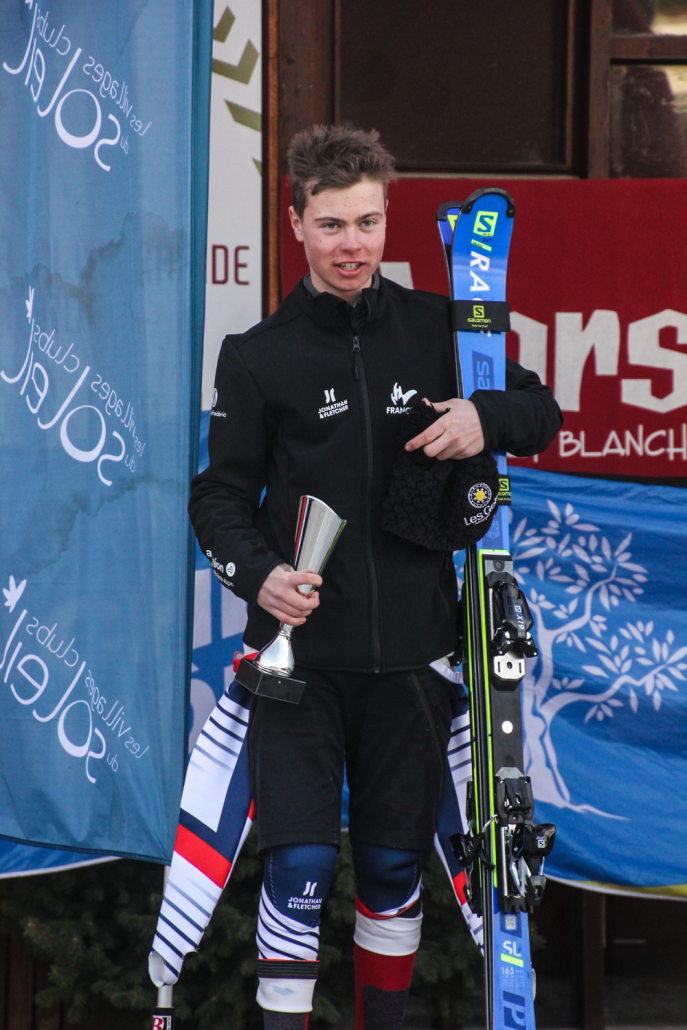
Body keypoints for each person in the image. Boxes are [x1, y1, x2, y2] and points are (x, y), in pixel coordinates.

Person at [188, 125, 562, 1030]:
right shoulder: (258, 352)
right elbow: (220, 498)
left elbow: (539, 410)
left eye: (365, 222)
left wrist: (484, 415)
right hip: (299, 660)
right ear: (296, 224)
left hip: (415, 655)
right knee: (300, 868)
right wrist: (260, 575)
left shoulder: (440, 327)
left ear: (388, 218)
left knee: (395, 866)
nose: (351, 244)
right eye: (330, 225)